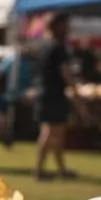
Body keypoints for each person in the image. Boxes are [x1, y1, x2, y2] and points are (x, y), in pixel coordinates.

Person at [34, 13, 84, 180]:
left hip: (44, 92)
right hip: (54, 94)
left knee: (57, 133)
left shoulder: (42, 46)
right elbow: (66, 74)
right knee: (50, 132)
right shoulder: (58, 48)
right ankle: (39, 170)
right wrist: (76, 94)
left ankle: (61, 169)